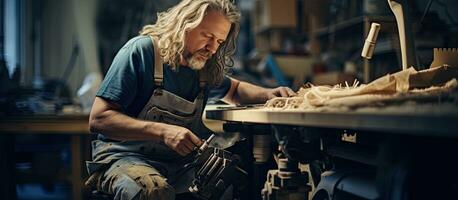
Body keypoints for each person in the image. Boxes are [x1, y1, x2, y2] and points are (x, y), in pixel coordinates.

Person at [85, 0, 296, 199]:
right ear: (184, 24)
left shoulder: (202, 67)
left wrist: (268, 93)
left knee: (239, 181)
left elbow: (236, 89)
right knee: (152, 192)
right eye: (207, 36)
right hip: (124, 157)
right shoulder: (141, 51)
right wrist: (163, 131)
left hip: (179, 164)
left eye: (219, 41)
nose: (213, 49)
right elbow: (99, 119)